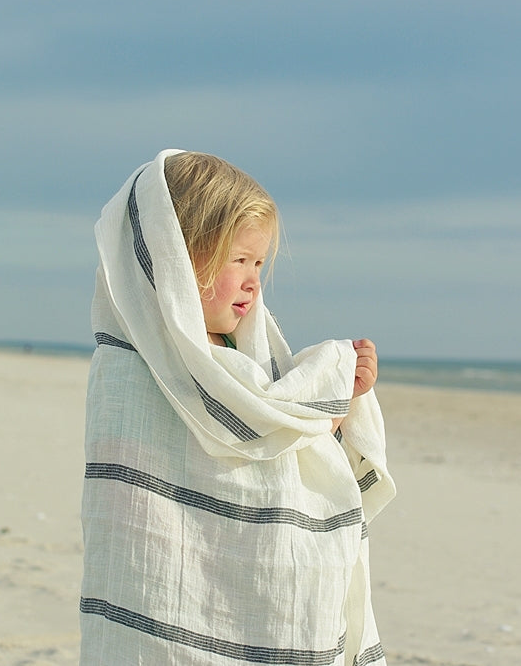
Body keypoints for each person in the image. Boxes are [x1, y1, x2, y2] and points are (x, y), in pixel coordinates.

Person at [81, 149, 396, 665]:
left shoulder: (249, 361)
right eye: (239, 260)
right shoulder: (132, 365)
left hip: (257, 595)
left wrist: (339, 401)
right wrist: (319, 413)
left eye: (259, 264)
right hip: (161, 591)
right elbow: (216, 461)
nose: (254, 281)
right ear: (179, 257)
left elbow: (275, 447)